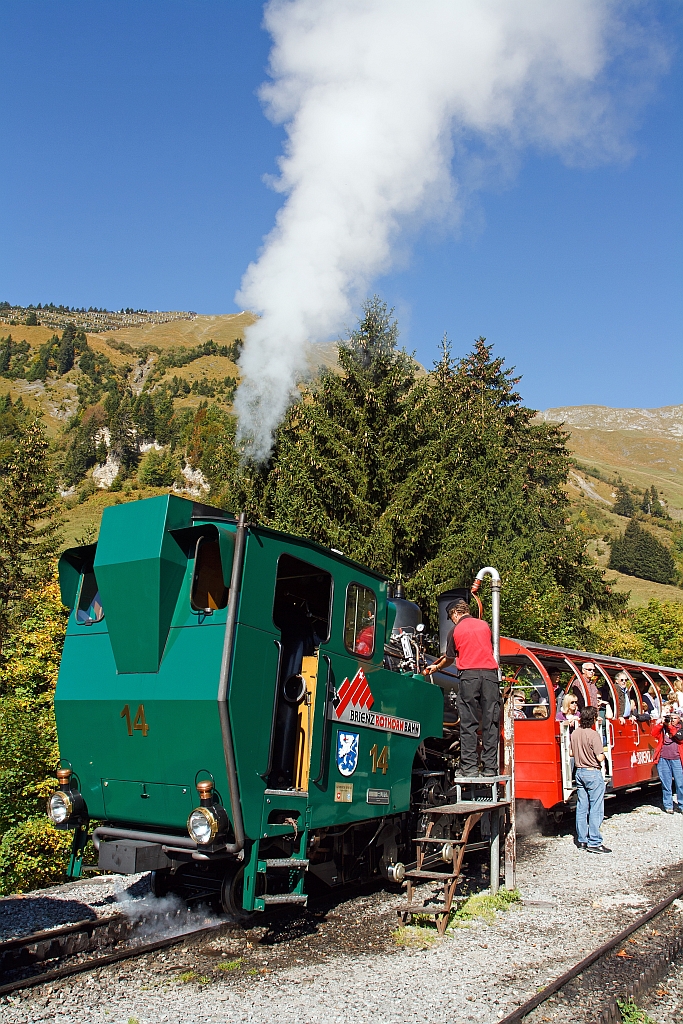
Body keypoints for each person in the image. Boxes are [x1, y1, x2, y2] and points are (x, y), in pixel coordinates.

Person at [425, 598, 499, 777]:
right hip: (490, 676)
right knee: (490, 722)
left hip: (469, 677)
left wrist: (436, 667)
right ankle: (490, 768)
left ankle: (469, 768)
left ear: (455, 613)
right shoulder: (484, 626)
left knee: (468, 723)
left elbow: (449, 659)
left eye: (451, 617)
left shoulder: (455, 630)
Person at [570, 705, 611, 854]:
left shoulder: (575, 733)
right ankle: (594, 841)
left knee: (582, 807)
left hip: (579, 772)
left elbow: (571, 753)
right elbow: (600, 756)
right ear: (593, 719)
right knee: (596, 808)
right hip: (592, 772)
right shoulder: (593, 735)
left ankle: (582, 839)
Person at [651, 707, 683, 814]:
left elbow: (679, 738)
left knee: (680, 784)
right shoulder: (664, 728)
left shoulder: (680, 727)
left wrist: (670, 727)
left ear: (679, 719)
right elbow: (653, 733)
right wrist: (661, 723)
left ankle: (681, 805)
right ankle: (668, 805)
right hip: (663, 758)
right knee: (666, 783)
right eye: (670, 718)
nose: (672, 720)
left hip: (677, 759)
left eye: (674, 718)